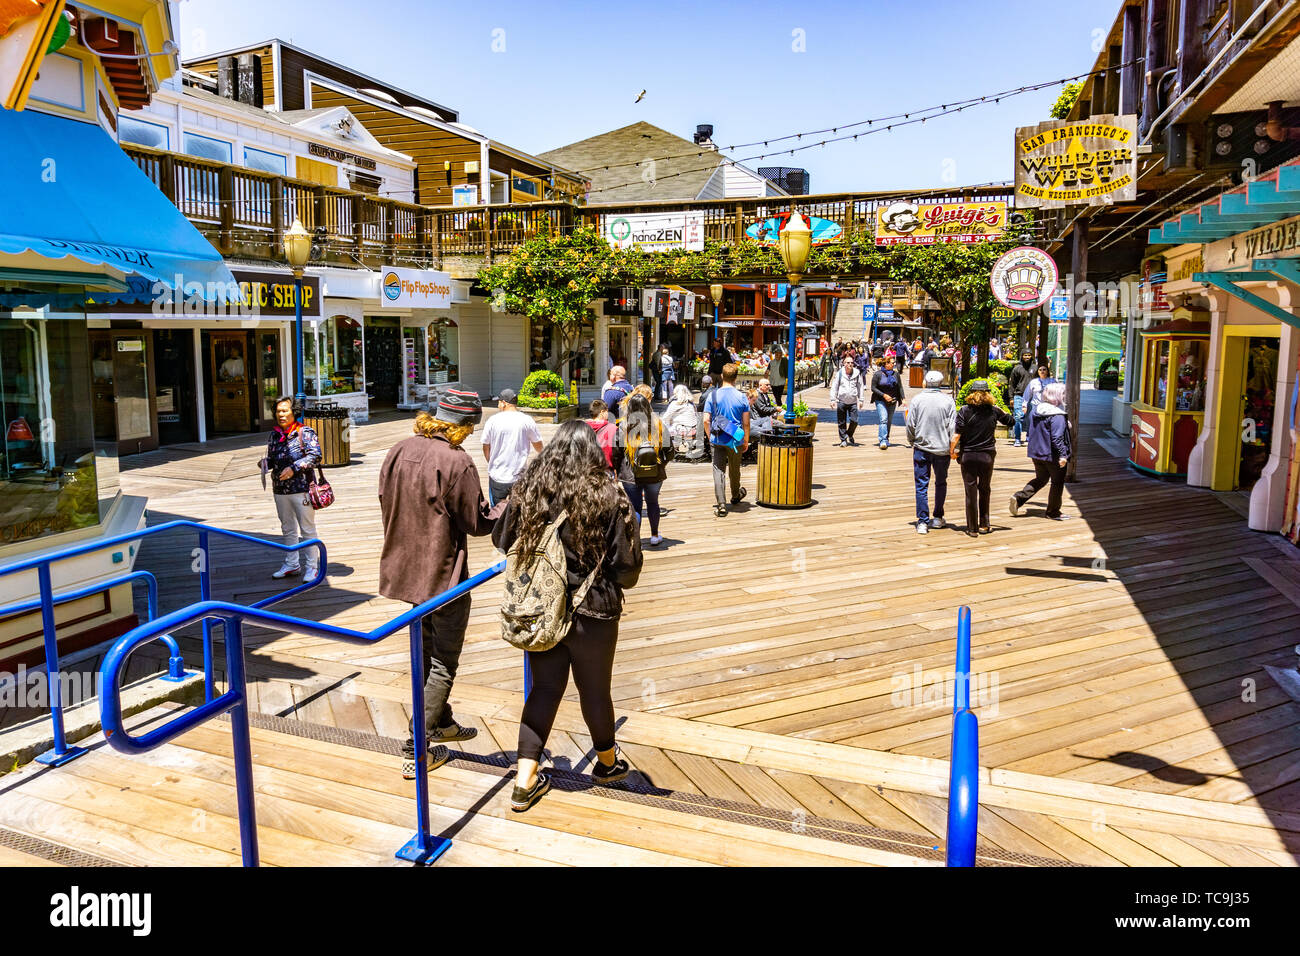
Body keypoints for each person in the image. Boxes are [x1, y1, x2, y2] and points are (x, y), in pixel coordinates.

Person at [493, 421, 643, 812]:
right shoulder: (611, 494)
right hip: (595, 609)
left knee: (544, 689)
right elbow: (627, 568)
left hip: (541, 608)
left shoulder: (530, 489)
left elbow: (501, 539)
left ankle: (524, 779)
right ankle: (607, 764)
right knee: (595, 690)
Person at [378, 390, 498, 778]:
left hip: (404, 569)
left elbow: (384, 499)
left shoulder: (398, 449)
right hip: (444, 577)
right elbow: (477, 523)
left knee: (423, 653)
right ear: (462, 427)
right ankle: (419, 745)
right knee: (443, 662)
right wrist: (508, 506)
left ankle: (442, 722)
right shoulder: (456, 461)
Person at [264, 397, 322, 582]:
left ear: (294, 412)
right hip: (280, 490)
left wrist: (294, 468)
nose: (280, 414)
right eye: (278, 411)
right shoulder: (274, 435)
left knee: (307, 529)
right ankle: (292, 563)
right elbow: (273, 458)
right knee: (287, 528)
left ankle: (312, 567)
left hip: (301, 488)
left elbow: (315, 456)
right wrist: (266, 463)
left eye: (284, 411)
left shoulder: (305, 432)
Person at [949, 381, 1014, 537]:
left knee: (970, 491)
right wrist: (1000, 409)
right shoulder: (994, 411)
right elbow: (1011, 422)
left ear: (971, 394)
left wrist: (952, 451)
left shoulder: (964, 411)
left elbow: (956, 435)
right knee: (985, 489)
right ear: (988, 394)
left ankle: (972, 528)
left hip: (968, 455)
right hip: (987, 455)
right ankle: (984, 525)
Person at [612, 392, 672, 546]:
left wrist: (616, 472)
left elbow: (616, 453)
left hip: (630, 475)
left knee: (635, 507)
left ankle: (635, 540)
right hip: (655, 473)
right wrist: (661, 464)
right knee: (653, 503)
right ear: (648, 406)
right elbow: (670, 450)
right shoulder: (658, 424)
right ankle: (654, 535)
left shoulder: (623, 426)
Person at [1010, 382, 1072, 521]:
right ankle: (1053, 512)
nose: (1064, 396)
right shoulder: (1057, 415)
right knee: (1057, 482)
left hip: (1037, 452)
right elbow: (1057, 437)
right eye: (1063, 394)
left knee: (1041, 479)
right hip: (1053, 455)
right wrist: (1063, 455)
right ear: (1057, 396)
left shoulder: (1037, 411)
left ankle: (1019, 497)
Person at [906, 370, 956, 535]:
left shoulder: (917, 400)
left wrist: (912, 440)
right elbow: (952, 427)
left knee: (921, 485)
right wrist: (953, 447)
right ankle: (938, 516)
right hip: (942, 449)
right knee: (941, 483)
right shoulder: (948, 401)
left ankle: (922, 521)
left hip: (922, 447)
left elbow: (910, 424)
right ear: (940, 384)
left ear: (925, 383)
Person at [701, 362, 750, 517]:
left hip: (717, 438)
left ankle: (721, 504)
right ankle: (735, 495)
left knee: (718, 470)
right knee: (735, 470)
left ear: (722, 376)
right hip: (735, 439)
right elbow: (746, 422)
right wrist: (746, 440)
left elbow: (706, 420)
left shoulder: (713, 395)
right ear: (736, 378)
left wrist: (710, 436)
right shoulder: (742, 397)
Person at [480, 388, 542, 503]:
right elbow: (538, 445)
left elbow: (486, 446)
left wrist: (491, 462)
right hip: (519, 477)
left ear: (504, 403)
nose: (498, 405)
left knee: (497, 514)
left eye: (499, 402)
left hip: (497, 477)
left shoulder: (492, 420)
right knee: (518, 513)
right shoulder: (527, 420)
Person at [870, 354, 907, 449]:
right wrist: (884, 395)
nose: (894, 364)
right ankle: (882, 440)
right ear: (886, 364)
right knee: (883, 419)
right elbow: (873, 388)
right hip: (880, 400)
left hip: (893, 400)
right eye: (892, 363)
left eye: (894, 363)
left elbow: (900, 387)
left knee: (889, 421)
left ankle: (886, 438)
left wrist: (903, 398)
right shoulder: (878, 374)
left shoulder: (896, 374)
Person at [829, 354, 866, 447]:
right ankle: (843, 440)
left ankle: (849, 434)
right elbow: (834, 387)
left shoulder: (857, 373)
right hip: (841, 401)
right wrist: (833, 399)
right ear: (844, 364)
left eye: (851, 363)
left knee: (855, 421)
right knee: (841, 422)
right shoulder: (840, 374)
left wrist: (861, 400)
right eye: (848, 362)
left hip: (853, 401)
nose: (850, 364)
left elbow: (860, 387)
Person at [1007, 349, 1036, 448]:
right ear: (1022, 356)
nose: (1027, 357)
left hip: (1032, 397)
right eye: (1025, 355)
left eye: (1029, 355)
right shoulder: (1017, 368)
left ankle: (1029, 436)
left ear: (1032, 356)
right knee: (1018, 417)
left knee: (1031, 418)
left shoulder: (1035, 368)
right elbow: (1011, 384)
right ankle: (1018, 439)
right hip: (1019, 396)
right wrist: (1011, 397)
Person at [1022, 362, 1057, 436]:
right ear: (1037, 372)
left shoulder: (1052, 381)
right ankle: (1031, 438)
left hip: (1048, 407)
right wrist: (1024, 405)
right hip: (1036, 407)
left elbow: (1057, 393)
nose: (1042, 371)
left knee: (1047, 425)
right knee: (1033, 424)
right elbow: (1027, 393)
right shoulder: (1033, 382)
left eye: (1044, 369)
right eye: (1040, 370)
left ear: (1047, 371)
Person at [585, 398, 616, 471]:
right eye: (607, 411)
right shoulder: (612, 428)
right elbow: (615, 452)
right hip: (607, 468)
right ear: (602, 412)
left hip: (588, 468)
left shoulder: (584, 428)